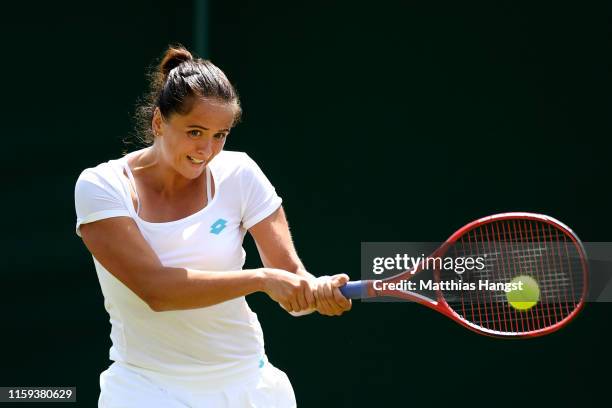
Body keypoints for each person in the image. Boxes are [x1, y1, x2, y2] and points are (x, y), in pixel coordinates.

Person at [74, 45, 351, 407]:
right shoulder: (101, 186)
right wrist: (262, 279)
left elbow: (291, 284)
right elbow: (156, 290)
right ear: (159, 122)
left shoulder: (240, 173)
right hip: (147, 390)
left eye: (219, 135)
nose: (206, 149)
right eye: (195, 132)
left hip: (248, 384)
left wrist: (315, 291)